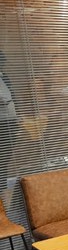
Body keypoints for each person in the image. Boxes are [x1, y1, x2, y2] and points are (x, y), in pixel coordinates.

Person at [0, 50, 19, 194]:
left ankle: (3, 189)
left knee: (5, 158)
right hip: (2, 121)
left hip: (11, 120)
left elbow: (12, 95)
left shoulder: (4, 76)